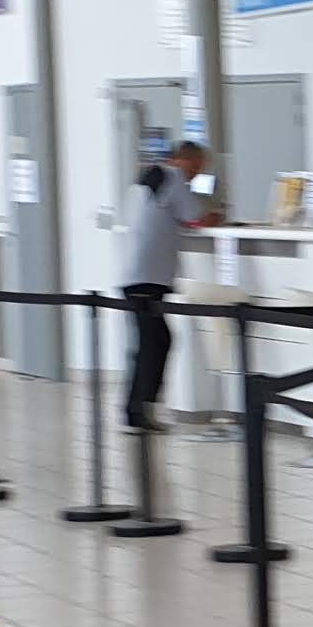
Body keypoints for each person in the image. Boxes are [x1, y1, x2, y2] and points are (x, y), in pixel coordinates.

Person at [119, 140, 212, 429]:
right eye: (196, 168)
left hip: (134, 273)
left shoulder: (146, 178)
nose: (195, 175)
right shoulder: (173, 177)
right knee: (155, 343)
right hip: (147, 276)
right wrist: (216, 216)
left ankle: (138, 409)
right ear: (186, 160)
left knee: (151, 342)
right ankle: (140, 410)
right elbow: (194, 218)